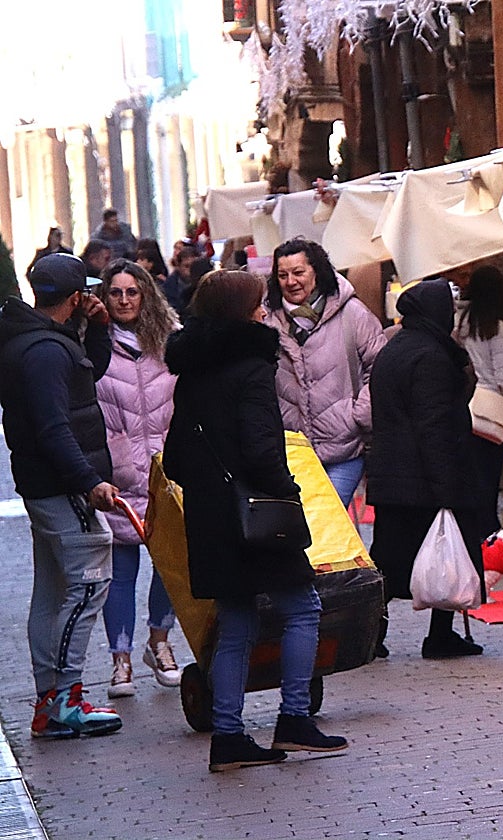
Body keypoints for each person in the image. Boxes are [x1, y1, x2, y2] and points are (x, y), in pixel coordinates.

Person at [163, 269, 347, 772]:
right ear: (243, 313)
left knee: (238, 621)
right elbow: (263, 449)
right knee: (303, 608)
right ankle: (294, 718)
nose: (266, 311)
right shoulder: (252, 368)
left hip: (210, 518)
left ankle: (228, 736)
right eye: (259, 305)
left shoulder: (192, 372)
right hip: (256, 514)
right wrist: (287, 492)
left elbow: (174, 459)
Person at [0, 253, 123, 738]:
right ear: (74, 298)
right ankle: (65, 697)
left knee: (52, 593)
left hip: (44, 485)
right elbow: (55, 427)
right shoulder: (45, 351)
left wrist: (96, 331)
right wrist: (88, 480)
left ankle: (50, 701)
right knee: (88, 583)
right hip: (63, 485)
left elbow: (82, 380)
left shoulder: (34, 341)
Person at [366, 279, 486, 659]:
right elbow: (434, 425)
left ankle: (372, 634)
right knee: (446, 556)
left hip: (391, 477)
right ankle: (439, 635)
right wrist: (447, 486)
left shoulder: (394, 349)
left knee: (389, 561)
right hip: (423, 480)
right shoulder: (431, 356)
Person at [95, 259, 182, 698]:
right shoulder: (94, 346)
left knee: (170, 568)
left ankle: (159, 642)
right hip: (120, 476)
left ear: (146, 294)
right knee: (121, 573)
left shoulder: (169, 342)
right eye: (116, 292)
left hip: (166, 476)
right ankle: (120, 660)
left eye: (133, 292)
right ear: (104, 298)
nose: (125, 300)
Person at [263, 238, 386, 507]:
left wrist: (359, 415)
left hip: (345, 447)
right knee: (303, 529)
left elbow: (379, 367)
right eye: (283, 275)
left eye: (298, 272)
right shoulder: (267, 322)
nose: (291, 281)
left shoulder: (352, 313)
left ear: (316, 271)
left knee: (327, 520)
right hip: (293, 451)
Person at [453, 265, 503, 537]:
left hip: (469, 408)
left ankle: (477, 530)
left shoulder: (462, 325)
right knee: (489, 476)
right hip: (494, 412)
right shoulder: (499, 331)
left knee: (474, 477)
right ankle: (488, 531)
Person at [163, 243, 199, 314]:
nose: (191, 270)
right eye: (187, 266)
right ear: (178, 266)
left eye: (194, 266)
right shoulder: (169, 286)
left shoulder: (205, 283)